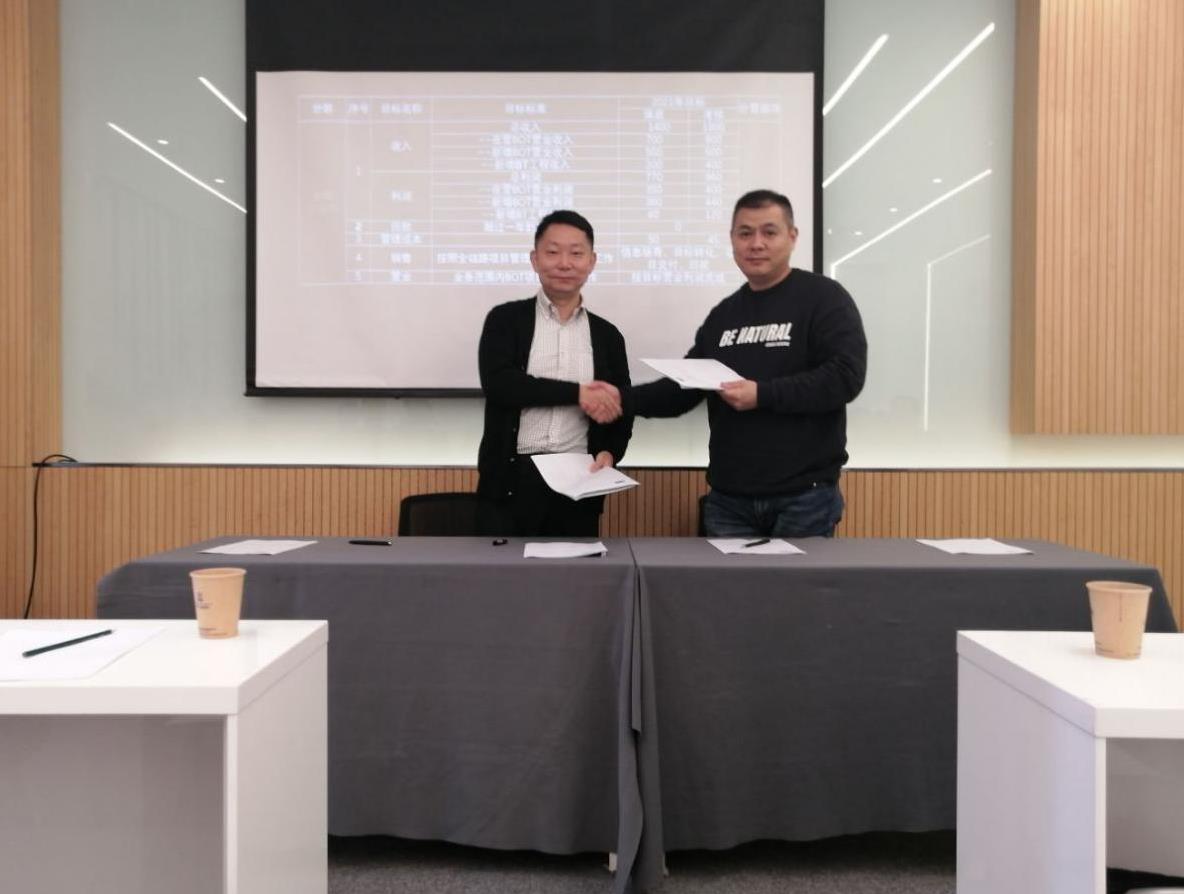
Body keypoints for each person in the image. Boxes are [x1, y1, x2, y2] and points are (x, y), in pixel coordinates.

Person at [621, 189, 866, 538]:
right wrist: (619, 399)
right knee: (727, 580)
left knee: (796, 579)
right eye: (745, 233)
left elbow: (845, 376)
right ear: (732, 240)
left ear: (792, 237)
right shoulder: (724, 315)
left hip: (804, 498)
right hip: (729, 500)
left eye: (769, 232)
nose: (756, 244)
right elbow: (685, 388)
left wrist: (762, 394)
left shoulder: (824, 298)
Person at [476, 210, 631, 537]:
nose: (564, 263)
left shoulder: (607, 335)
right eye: (552, 252)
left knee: (576, 569)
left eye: (576, 253)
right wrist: (578, 393)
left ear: (592, 261)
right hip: (513, 480)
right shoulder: (504, 320)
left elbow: (621, 404)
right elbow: (501, 385)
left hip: (580, 479)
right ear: (535, 259)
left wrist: (610, 452)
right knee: (503, 569)